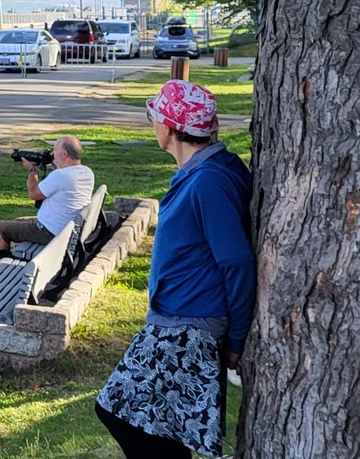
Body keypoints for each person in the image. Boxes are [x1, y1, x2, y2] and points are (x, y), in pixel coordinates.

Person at [95, 79, 255, 459]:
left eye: (155, 118)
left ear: (167, 128)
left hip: (189, 326)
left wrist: (236, 340)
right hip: (178, 320)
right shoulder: (210, 168)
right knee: (160, 428)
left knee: (118, 414)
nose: (153, 125)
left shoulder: (208, 181)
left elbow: (236, 261)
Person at [0, 135, 94, 252]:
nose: (52, 153)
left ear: (64, 154)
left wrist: (32, 171)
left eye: (55, 149)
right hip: (69, 226)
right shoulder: (87, 172)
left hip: (50, 231)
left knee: (2, 228)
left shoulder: (60, 176)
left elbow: (34, 194)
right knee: (18, 220)